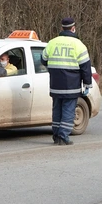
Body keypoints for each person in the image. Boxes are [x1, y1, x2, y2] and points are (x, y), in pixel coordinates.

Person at [41, 17, 92, 145]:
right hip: (71, 85)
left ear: (62, 28)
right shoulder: (78, 45)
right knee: (69, 111)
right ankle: (63, 136)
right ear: (73, 28)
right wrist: (87, 84)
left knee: (57, 110)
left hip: (55, 84)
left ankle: (56, 136)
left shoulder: (52, 43)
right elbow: (85, 67)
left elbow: (43, 59)